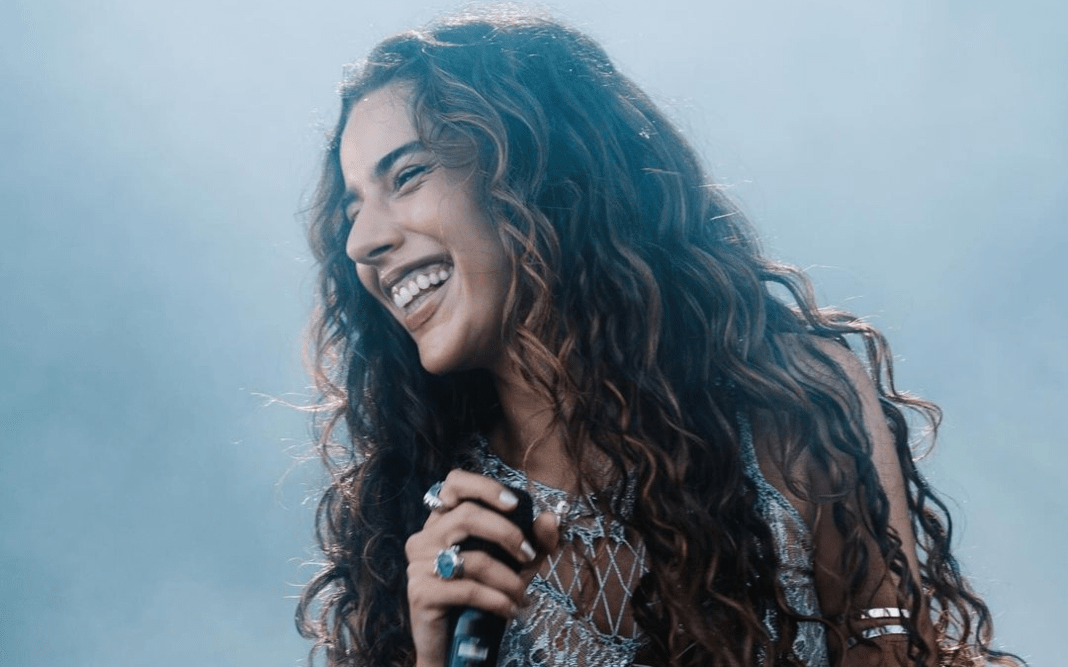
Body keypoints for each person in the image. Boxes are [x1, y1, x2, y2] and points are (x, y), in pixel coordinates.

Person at [295, 8, 1021, 667]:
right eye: (353, 210)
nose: (361, 242)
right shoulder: (415, 520)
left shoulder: (793, 404)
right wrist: (434, 657)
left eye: (408, 175)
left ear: (541, 174)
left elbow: (892, 647)